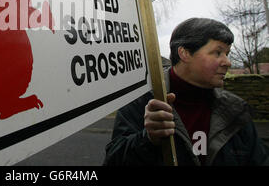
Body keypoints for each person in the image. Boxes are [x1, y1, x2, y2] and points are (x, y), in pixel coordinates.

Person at [104, 18, 269, 166]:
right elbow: (113, 159)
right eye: (218, 52)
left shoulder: (235, 110)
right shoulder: (142, 101)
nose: (227, 62)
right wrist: (147, 139)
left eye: (227, 53)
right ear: (184, 53)